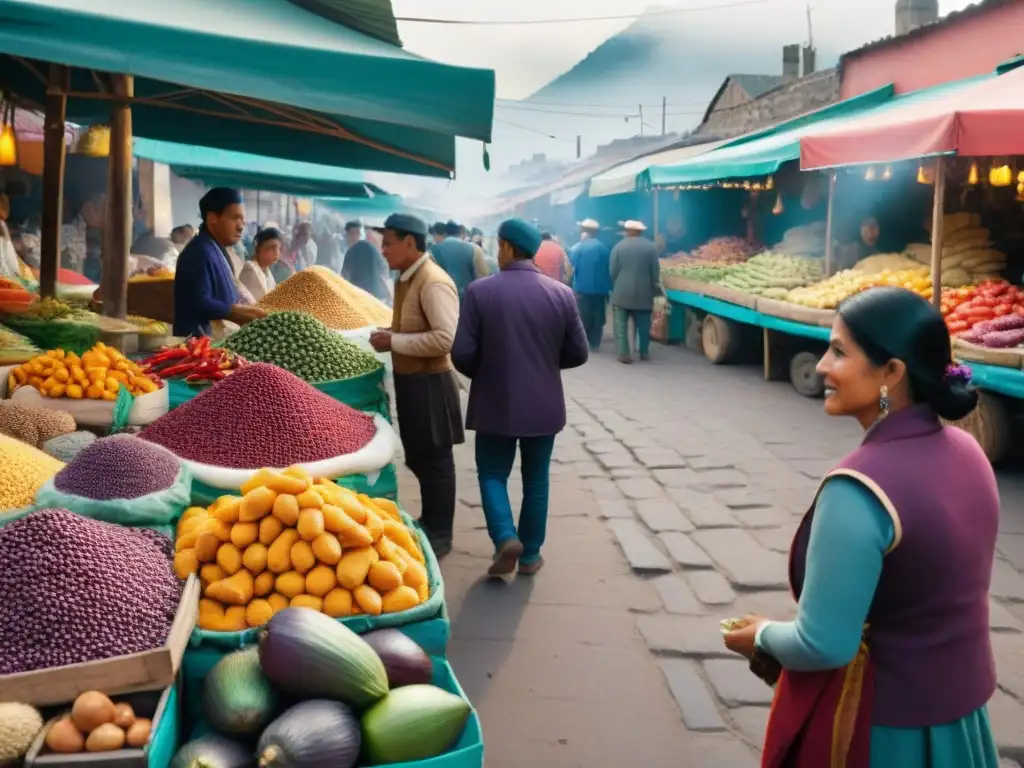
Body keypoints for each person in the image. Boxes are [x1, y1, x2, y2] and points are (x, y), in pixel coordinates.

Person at [723, 286, 999, 768]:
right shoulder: (968, 452)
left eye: (839, 351)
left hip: (885, 730)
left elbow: (822, 643)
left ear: (891, 372)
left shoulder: (858, 490)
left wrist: (762, 636)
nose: (823, 366)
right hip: (961, 719)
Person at [451, 218, 588, 577]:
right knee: (536, 478)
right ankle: (530, 556)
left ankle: (504, 537)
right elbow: (578, 353)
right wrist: (544, 366)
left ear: (508, 247)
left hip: (494, 401)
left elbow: (462, 354)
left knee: (493, 473)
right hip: (544, 405)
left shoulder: (480, 292)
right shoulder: (561, 294)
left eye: (499, 246)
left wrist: (487, 372)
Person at [370, 213, 464, 558]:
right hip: (413, 382)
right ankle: (430, 520)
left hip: (431, 384)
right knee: (420, 456)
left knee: (436, 460)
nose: (383, 250)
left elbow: (444, 338)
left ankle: (441, 533)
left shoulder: (432, 281)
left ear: (410, 242)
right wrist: (391, 334)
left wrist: (393, 342)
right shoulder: (408, 278)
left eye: (388, 243)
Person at [173, 188, 266, 338]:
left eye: (242, 219)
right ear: (212, 218)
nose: (241, 226)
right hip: (197, 347)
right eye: (235, 218)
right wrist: (235, 312)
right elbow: (200, 302)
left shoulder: (215, 248)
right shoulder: (198, 252)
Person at [609, 220, 664, 364]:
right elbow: (655, 273)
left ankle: (623, 353)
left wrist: (618, 284)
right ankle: (644, 352)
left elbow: (612, 271)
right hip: (644, 293)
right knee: (643, 325)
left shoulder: (618, 247)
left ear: (627, 231)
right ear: (641, 231)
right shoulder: (651, 247)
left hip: (621, 293)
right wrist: (653, 288)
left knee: (621, 326)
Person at [569, 218, 612, 350]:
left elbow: (572, 267)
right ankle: (595, 342)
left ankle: (584, 340)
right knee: (598, 316)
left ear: (583, 231)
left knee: (583, 316)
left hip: (582, 288)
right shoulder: (604, 249)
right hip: (601, 289)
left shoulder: (577, 248)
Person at [432, 220, 489, 301]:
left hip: (441, 302)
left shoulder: (433, 250)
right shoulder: (475, 249)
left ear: (446, 233)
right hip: (467, 303)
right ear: (461, 233)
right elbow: (483, 280)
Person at [341, 220, 390, 302]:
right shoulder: (371, 248)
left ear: (357, 234)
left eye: (353, 234)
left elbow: (345, 276)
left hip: (357, 295)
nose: (350, 237)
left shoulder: (351, 251)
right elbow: (384, 269)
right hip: (374, 295)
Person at [238, 227, 282, 302]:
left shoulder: (267, 271)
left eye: (279, 248)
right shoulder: (250, 269)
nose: (277, 253)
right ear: (258, 248)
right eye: (272, 247)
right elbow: (262, 301)